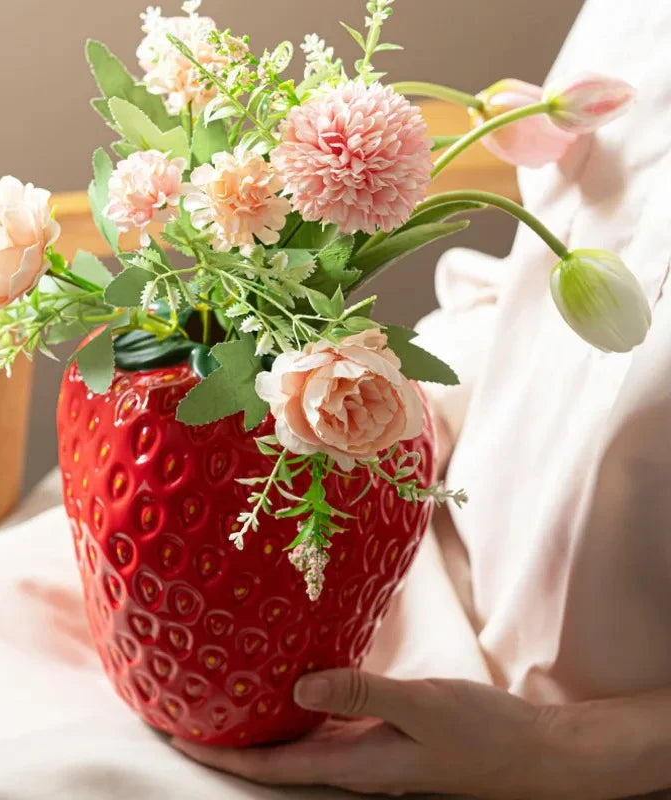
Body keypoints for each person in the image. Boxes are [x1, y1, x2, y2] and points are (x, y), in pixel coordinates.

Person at [170, 0, 671, 796]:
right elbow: (533, 295)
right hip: (407, 566)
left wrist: (561, 747)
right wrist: (386, 414)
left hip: (585, 756)